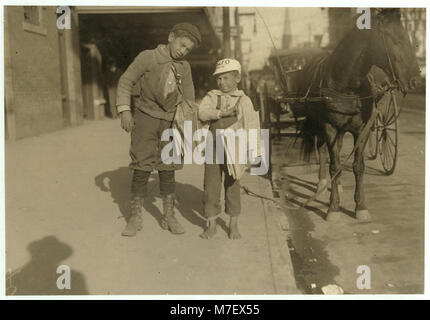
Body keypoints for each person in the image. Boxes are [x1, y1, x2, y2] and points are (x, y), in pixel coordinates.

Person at [116, 23, 201, 237]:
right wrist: (125, 110)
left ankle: (168, 216)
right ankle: (135, 217)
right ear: (171, 37)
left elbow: (189, 98)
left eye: (188, 49)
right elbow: (126, 81)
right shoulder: (148, 57)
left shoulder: (185, 67)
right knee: (142, 166)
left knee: (168, 168)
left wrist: (189, 125)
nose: (183, 51)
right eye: (182, 45)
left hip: (170, 122)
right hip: (145, 118)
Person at [198, 58, 259, 240]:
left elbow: (251, 126)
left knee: (233, 184)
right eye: (219, 79)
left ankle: (233, 223)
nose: (222, 83)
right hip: (213, 146)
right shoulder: (212, 96)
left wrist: (251, 151)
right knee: (211, 185)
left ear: (237, 78)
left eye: (226, 78)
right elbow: (201, 112)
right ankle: (211, 223)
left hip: (234, 147)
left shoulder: (243, 100)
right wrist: (220, 113)